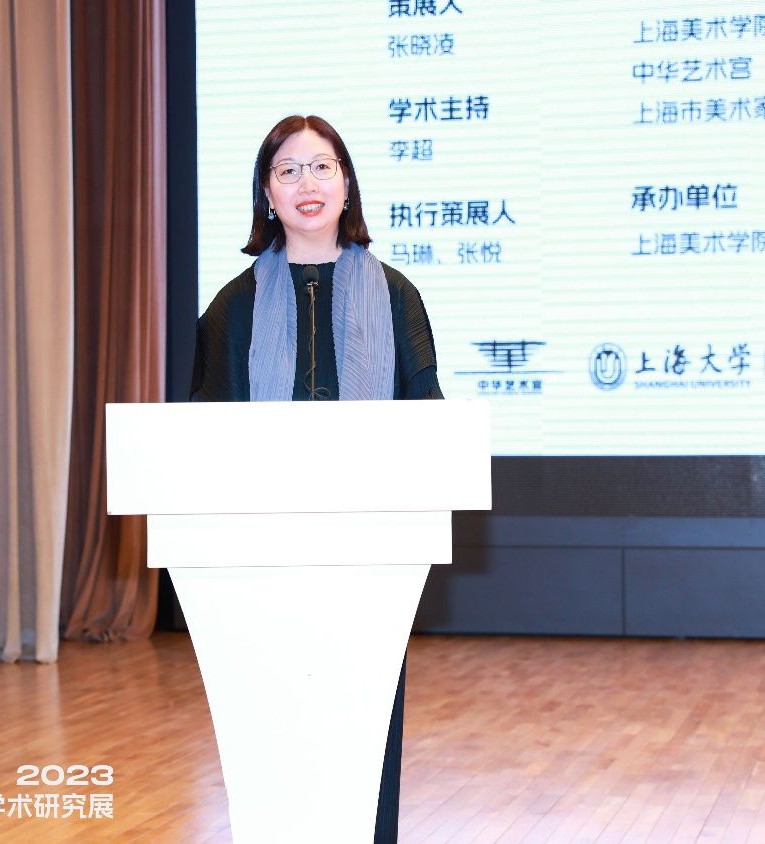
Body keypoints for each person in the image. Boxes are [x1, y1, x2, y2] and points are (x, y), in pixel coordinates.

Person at [190, 114, 443, 842]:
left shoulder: (395, 295)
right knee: (273, 725)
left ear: (347, 183)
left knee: (365, 725)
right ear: (267, 194)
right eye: (288, 170)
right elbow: (204, 434)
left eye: (322, 166)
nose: (307, 183)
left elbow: (428, 416)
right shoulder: (233, 306)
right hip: (261, 557)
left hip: (370, 554)